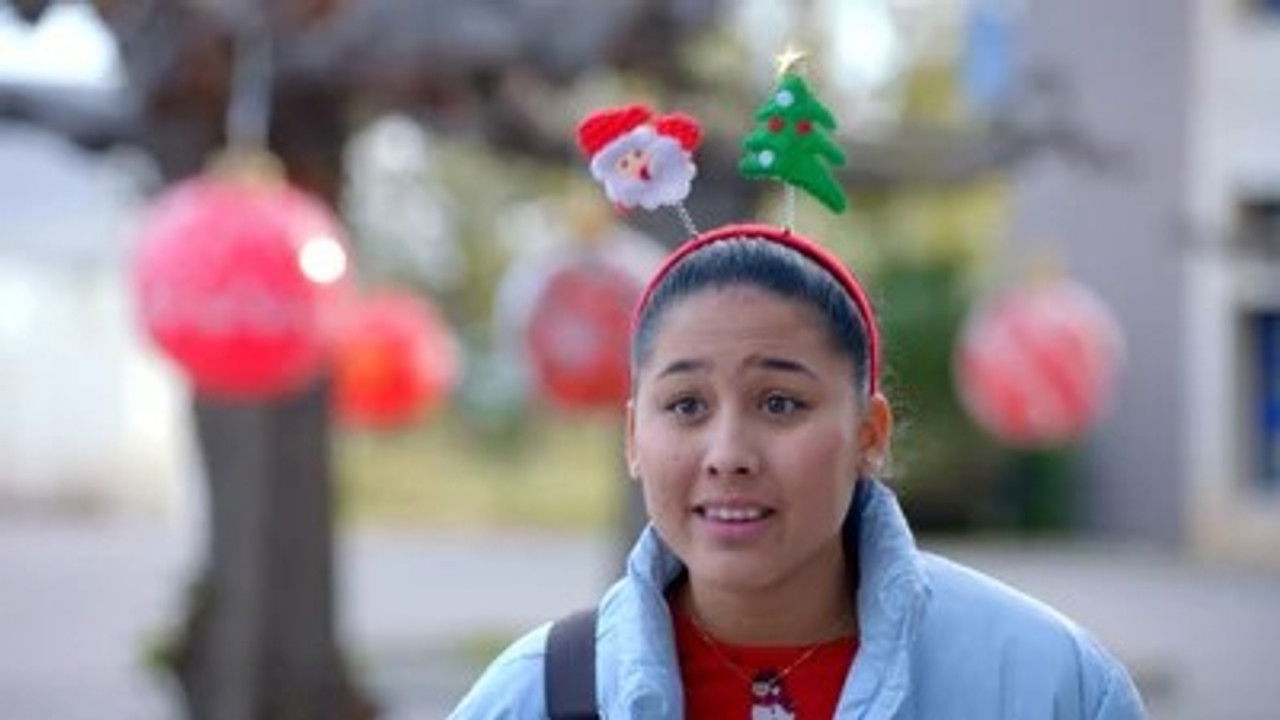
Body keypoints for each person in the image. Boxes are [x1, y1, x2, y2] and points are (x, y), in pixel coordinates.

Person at [448, 222, 1146, 719]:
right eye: (687, 405)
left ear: (869, 434)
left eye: (779, 403)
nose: (728, 452)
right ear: (634, 436)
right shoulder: (541, 693)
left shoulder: (1043, 681)